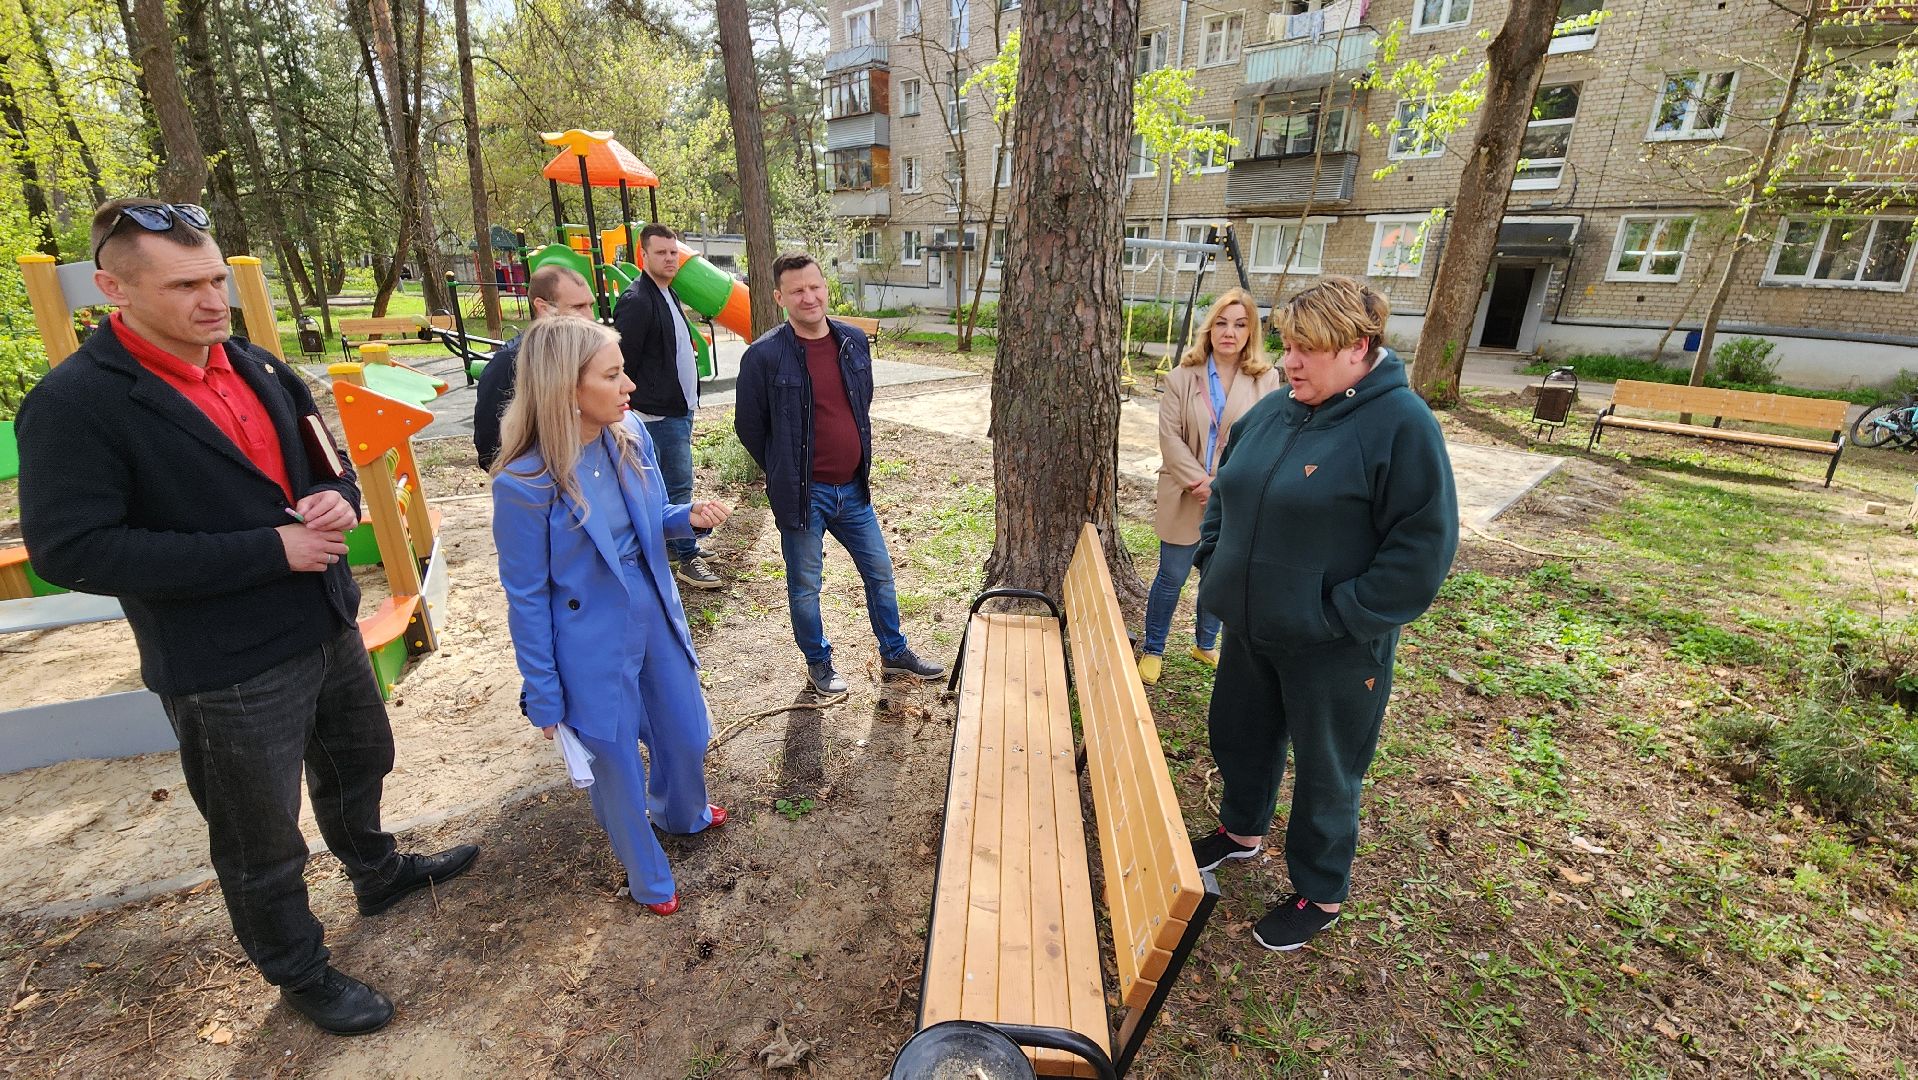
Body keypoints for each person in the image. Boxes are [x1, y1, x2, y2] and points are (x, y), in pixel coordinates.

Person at [15, 198, 479, 1035]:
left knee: (358, 759)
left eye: (218, 278)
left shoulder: (260, 366)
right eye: (186, 284)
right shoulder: (74, 404)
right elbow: (73, 551)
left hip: (324, 622)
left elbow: (328, 469)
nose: (211, 299)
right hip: (223, 662)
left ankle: (376, 872)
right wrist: (272, 550)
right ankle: (300, 970)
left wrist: (334, 505)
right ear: (115, 289)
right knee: (259, 836)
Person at [1189, 276, 1458, 953]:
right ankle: (1241, 831)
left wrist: (1338, 614)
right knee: (1241, 735)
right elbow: (1229, 487)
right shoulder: (1275, 410)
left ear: (1359, 349)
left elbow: (1421, 549)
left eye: (1308, 350)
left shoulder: (1402, 425)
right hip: (1253, 629)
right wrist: (1216, 559)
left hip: (1334, 646)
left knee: (1327, 770)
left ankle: (1320, 889)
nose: (1289, 362)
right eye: (1288, 346)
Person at [490, 316, 732, 917]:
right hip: (588, 639)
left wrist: (685, 518)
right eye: (613, 374)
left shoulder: (629, 436)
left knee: (686, 730)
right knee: (616, 764)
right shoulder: (524, 483)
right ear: (567, 388)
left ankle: (683, 810)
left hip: (653, 606)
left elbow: (648, 520)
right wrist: (543, 693)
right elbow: (525, 596)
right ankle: (649, 877)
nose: (629, 386)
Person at [733, 252, 945, 694]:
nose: (809, 297)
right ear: (780, 297)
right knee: (806, 587)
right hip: (803, 496)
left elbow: (858, 404)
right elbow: (749, 427)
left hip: (853, 489)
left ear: (825, 288)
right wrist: (784, 468)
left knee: (880, 573)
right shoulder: (764, 356)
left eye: (815, 286)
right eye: (797, 290)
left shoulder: (852, 342)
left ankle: (894, 653)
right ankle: (819, 662)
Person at [1138, 287, 1284, 687]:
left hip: (1234, 498)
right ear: (1209, 328)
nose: (1229, 332)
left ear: (1250, 331)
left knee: (1219, 575)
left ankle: (1205, 643)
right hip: (1185, 493)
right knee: (1171, 575)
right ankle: (1153, 648)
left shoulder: (1266, 380)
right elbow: (1169, 438)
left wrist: (1224, 485)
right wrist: (1200, 483)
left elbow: (1264, 440)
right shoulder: (1182, 376)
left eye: (1239, 324)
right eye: (1221, 323)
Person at [613, 223, 722, 590]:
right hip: (656, 414)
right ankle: (687, 559)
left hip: (677, 408)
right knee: (676, 486)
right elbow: (623, 360)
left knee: (675, 484)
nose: (670, 258)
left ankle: (679, 545)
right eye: (661, 252)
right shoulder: (638, 300)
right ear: (643, 255)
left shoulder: (667, 293)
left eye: (673, 252)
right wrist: (638, 405)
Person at [473, 264, 595, 470]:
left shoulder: (591, 355)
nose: (590, 316)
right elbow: (489, 445)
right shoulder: (510, 363)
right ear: (543, 307)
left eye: (591, 305)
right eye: (578, 307)